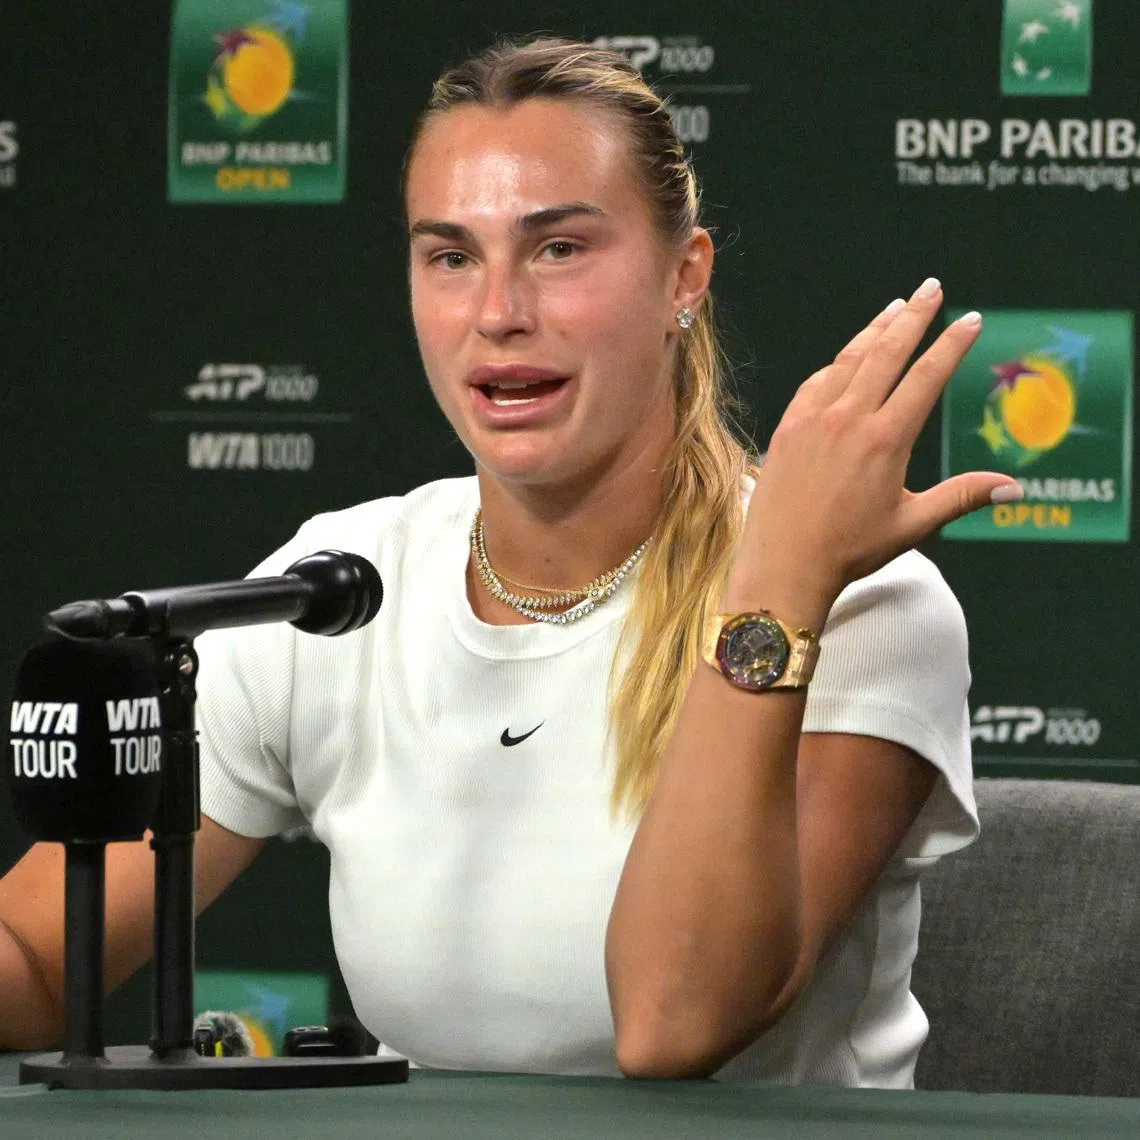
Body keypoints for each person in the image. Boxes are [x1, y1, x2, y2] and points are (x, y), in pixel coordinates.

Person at [0, 37, 1022, 1084]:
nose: (497, 313)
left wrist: (780, 580)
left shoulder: (859, 604)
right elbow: (35, 960)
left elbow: (675, 1022)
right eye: (451, 257)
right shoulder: (339, 586)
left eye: (559, 250)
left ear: (686, 275)